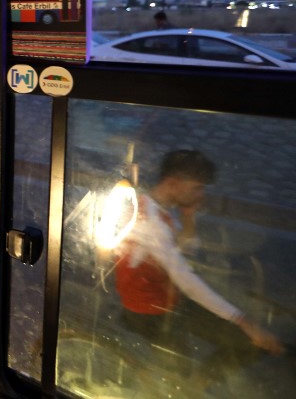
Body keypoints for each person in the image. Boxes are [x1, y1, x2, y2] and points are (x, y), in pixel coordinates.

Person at [114, 150, 284, 389]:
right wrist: (243, 321)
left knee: (242, 340)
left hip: (168, 298)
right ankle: (191, 388)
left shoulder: (157, 206)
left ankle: (197, 385)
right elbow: (188, 282)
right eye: (197, 188)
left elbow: (185, 250)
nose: (201, 194)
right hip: (151, 311)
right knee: (183, 376)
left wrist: (188, 218)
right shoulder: (152, 221)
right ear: (173, 183)